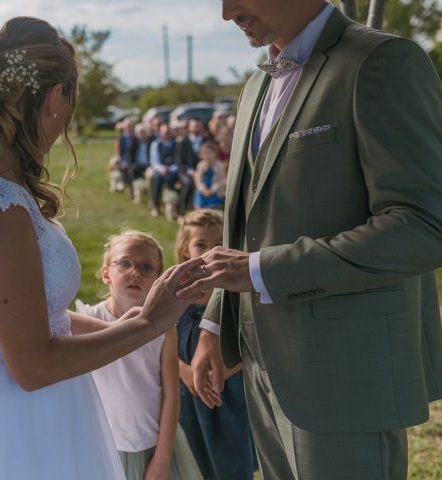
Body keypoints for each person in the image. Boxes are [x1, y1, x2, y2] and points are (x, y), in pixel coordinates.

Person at [0, 17, 197, 479]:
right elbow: (31, 364)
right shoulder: (1, 207)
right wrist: (150, 322)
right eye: (71, 101)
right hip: (11, 418)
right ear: (55, 97)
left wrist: (120, 328)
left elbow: (26, 313)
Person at [176, 1, 442, 478]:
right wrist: (216, 325)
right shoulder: (256, 84)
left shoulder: (381, 62)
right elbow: (245, 223)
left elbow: (423, 226)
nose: (225, 12)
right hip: (261, 371)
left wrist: (263, 270)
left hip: (347, 377)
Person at [76, 231, 203, 480]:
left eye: (146, 267)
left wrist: (163, 457)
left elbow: (171, 394)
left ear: (158, 279)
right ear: (106, 273)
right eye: (124, 263)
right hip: (104, 446)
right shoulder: (88, 320)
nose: (135, 272)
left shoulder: (164, 328)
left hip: (153, 444)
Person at [175, 209, 256, 480]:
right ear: (186, 249)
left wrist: (217, 374)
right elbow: (157, 339)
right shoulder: (176, 292)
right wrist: (182, 370)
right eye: (201, 244)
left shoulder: (236, 293)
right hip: (186, 396)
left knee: (230, 463)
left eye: (218, 244)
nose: (210, 252)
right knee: (191, 462)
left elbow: (253, 343)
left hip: (227, 392)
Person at [149, 124, 179, 219]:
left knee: (173, 181)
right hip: (160, 169)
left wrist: (171, 168)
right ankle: (155, 205)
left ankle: (172, 206)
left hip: (173, 169)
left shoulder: (176, 144)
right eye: (164, 133)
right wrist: (162, 169)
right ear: (160, 133)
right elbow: (154, 161)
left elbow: (179, 160)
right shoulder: (155, 144)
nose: (166, 134)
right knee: (157, 179)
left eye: (168, 132)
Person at [193, 141, 226, 210]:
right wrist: (203, 189)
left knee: (213, 206)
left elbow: (221, 180)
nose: (207, 156)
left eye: (209, 153)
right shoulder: (200, 165)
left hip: (215, 191)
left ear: (215, 154)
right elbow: (198, 180)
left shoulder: (220, 165)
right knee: (199, 200)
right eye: (204, 153)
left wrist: (212, 190)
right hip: (204, 190)